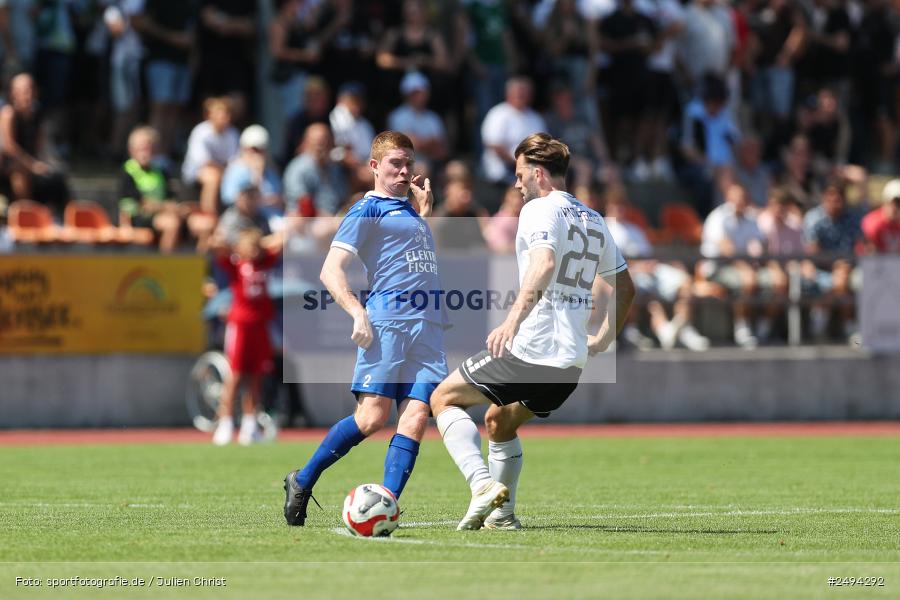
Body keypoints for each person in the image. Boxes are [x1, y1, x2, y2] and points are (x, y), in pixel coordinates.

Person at [430, 133, 635, 530]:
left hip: (534, 350)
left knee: (443, 397)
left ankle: (481, 484)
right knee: (499, 421)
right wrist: (604, 338)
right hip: (570, 364)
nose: (516, 182)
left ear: (538, 174)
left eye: (520, 173)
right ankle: (502, 517)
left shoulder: (539, 209)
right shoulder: (593, 218)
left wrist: (511, 321)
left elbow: (543, 264)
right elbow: (626, 288)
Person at [283, 131, 445, 526]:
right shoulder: (366, 209)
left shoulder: (411, 211)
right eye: (395, 163)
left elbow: (405, 256)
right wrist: (357, 312)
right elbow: (330, 270)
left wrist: (424, 213)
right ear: (374, 166)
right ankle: (302, 479)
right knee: (372, 418)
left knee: (416, 418)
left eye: (408, 164)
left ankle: (385, 508)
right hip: (388, 323)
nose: (404, 171)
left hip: (427, 324)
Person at [210, 226, 284, 446]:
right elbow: (216, 245)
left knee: (256, 376)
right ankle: (225, 422)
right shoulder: (235, 265)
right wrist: (237, 246)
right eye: (249, 246)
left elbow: (282, 239)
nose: (253, 250)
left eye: (255, 246)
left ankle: (250, 424)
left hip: (260, 326)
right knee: (235, 375)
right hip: (241, 326)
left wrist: (260, 242)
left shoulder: (265, 262)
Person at [862, 179, 900, 253]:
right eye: (894, 202)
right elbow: (867, 252)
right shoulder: (872, 222)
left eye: (899, 204)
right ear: (886, 201)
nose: (895, 207)